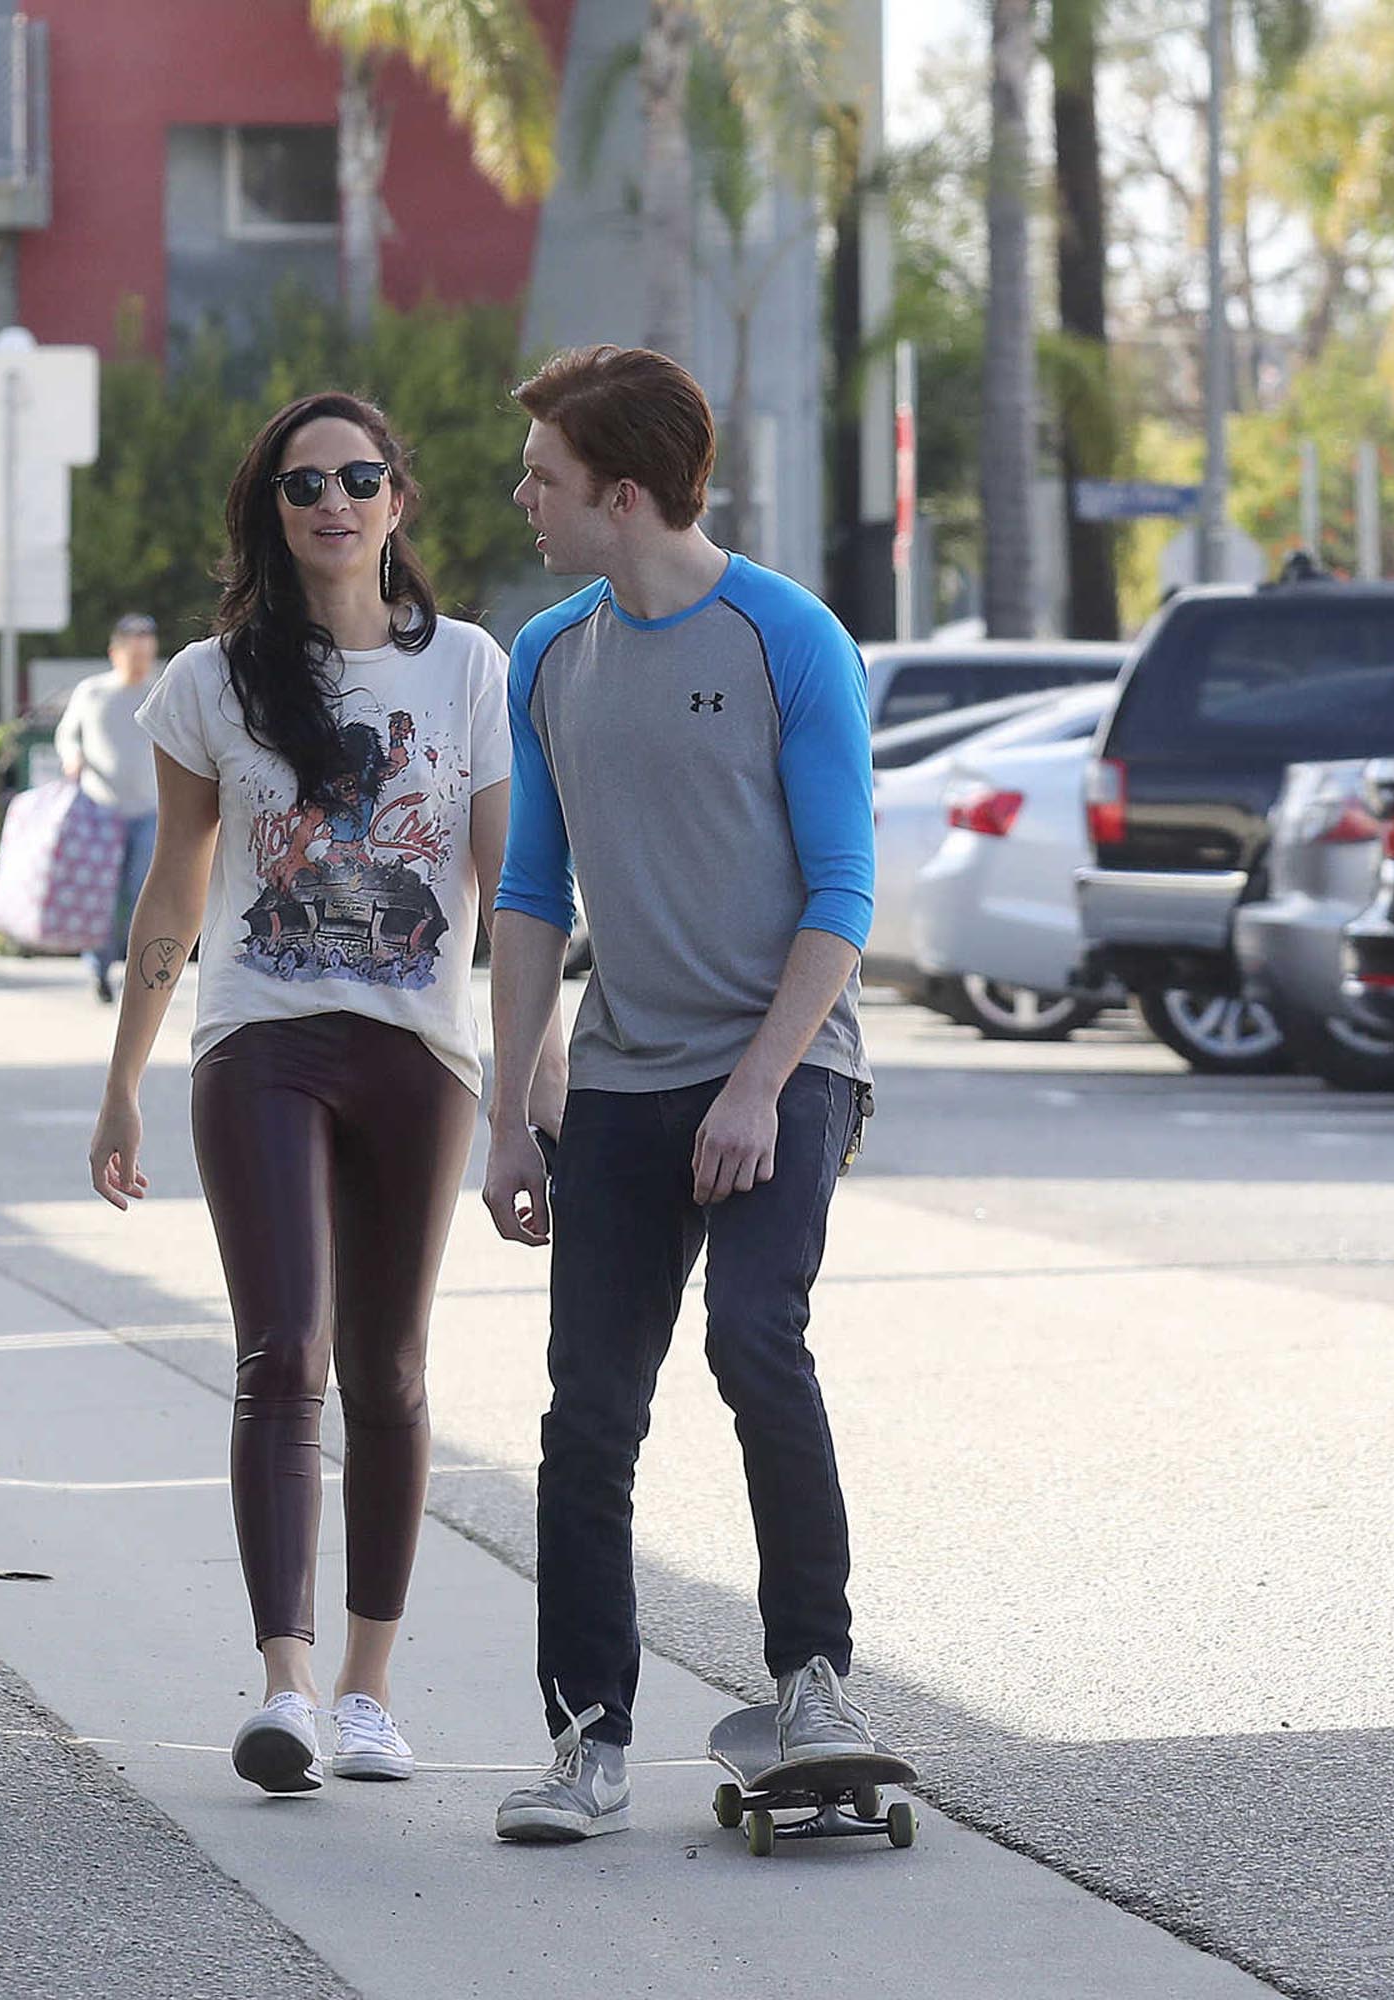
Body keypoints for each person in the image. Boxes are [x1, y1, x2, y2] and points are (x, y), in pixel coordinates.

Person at [87, 391, 531, 1794]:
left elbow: (512, 888)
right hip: (260, 1042)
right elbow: (176, 886)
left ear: (398, 500)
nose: (332, 501)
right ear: (269, 516)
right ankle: (282, 1684)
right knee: (284, 1349)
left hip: (418, 1050)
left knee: (389, 1372)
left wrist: (533, 1070)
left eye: (357, 477)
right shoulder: (210, 684)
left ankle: (366, 1691)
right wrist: (123, 1082)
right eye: (302, 485)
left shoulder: (468, 667)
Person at [482, 344, 882, 1843]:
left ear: (625, 494)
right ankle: (588, 1740)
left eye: (547, 479)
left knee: (754, 1340)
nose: (526, 499)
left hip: (788, 1062)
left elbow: (842, 890)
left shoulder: (790, 637)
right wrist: (513, 1109)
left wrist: (760, 1087)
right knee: (589, 1415)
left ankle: (814, 1682)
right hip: (627, 1076)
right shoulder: (548, 657)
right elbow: (529, 895)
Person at [55, 612, 165, 1002]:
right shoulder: (93, 692)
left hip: (150, 812)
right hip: (100, 812)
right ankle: (98, 967)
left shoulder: (161, 690)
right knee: (101, 895)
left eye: (145, 651)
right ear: (114, 653)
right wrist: (73, 757)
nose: (139, 659)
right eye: (132, 651)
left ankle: (135, 970)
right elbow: (67, 734)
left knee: (140, 894)